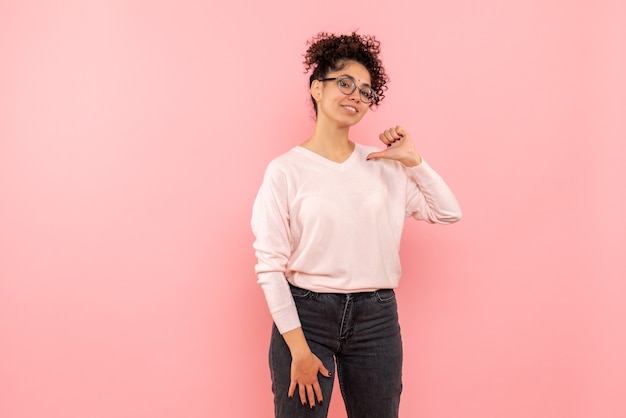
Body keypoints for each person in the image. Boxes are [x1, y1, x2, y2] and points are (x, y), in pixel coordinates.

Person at [251, 31, 462, 418]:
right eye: (344, 83)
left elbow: (447, 212)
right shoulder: (285, 170)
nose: (355, 95)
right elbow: (269, 265)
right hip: (306, 316)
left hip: (376, 318)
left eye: (365, 91)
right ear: (317, 88)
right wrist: (298, 349)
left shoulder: (383, 166)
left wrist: (414, 161)